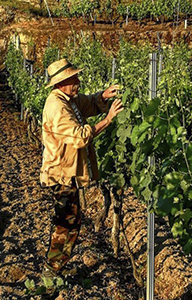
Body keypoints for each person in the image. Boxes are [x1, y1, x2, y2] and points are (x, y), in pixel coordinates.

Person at [40, 58, 123, 278]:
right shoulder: (57, 106)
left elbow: (89, 102)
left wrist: (103, 96)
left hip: (67, 172)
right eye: (73, 78)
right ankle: (51, 272)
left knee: (71, 222)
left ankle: (56, 268)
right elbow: (79, 137)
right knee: (66, 224)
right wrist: (108, 120)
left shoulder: (69, 99)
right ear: (61, 82)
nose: (78, 81)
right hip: (60, 174)